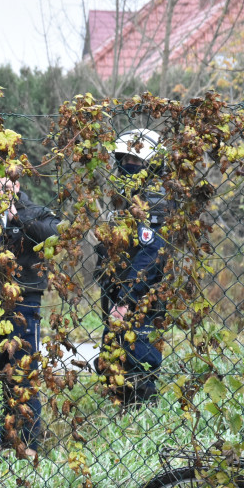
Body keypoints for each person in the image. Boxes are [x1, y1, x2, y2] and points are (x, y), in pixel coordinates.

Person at [94, 128, 169, 406]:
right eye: (124, 159)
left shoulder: (155, 200)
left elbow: (151, 255)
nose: (129, 166)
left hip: (139, 300)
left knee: (139, 364)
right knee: (111, 364)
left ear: (152, 163)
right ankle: (122, 414)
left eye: (136, 161)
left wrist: (127, 299)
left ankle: (140, 420)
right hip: (117, 297)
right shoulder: (125, 198)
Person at [0, 174, 60, 451]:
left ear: (16, 187)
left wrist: (21, 220)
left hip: (24, 301)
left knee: (23, 371)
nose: (0, 195)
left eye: (6, 188)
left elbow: (55, 235)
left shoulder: (35, 211)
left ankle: (26, 444)